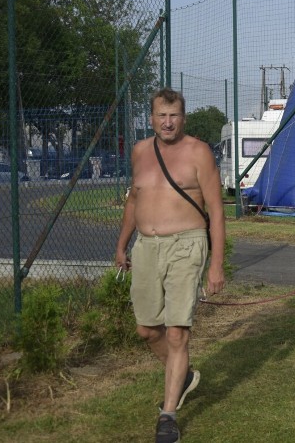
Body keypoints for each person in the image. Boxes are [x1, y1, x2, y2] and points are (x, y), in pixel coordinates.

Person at [114, 88, 225, 443]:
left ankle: (168, 416)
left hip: (187, 244)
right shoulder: (140, 152)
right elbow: (135, 198)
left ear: (183, 117)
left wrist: (216, 265)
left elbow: (217, 212)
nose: (167, 122)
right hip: (146, 246)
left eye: (174, 115)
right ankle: (185, 376)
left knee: (177, 332)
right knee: (147, 330)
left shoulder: (198, 152)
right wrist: (122, 244)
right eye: (161, 115)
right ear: (150, 119)